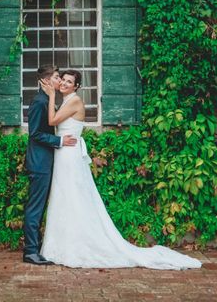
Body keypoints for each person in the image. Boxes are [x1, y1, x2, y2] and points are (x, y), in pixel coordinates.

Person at [39, 69, 202, 270]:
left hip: (70, 155)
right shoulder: (66, 100)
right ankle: (62, 245)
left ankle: (76, 247)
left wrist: (52, 94)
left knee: (73, 196)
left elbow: (52, 121)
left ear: (76, 86)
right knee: (64, 197)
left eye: (68, 81)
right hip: (63, 152)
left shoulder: (73, 101)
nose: (63, 83)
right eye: (62, 80)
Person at [23, 65, 78, 265]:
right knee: (35, 207)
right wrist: (60, 141)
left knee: (39, 206)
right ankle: (30, 251)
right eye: (56, 77)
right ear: (46, 81)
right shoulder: (39, 102)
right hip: (39, 162)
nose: (60, 80)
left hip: (46, 161)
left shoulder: (48, 100)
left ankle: (36, 247)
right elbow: (35, 134)